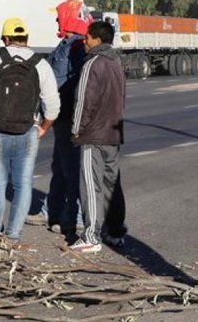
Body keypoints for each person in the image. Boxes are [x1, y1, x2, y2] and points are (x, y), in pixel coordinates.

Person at [0, 18, 60, 242]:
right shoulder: (40, 63)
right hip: (27, 132)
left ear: (6, 38)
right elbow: (53, 105)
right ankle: (14, 235)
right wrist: (43, 128)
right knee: (23, 184)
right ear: (26, 38)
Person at [27, 0, 91, 235]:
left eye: (60, 16)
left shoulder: (76, 46)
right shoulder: (69, 44)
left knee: (72, 167)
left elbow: (72, 81)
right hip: (61, 114)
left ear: (69, 18)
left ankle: (76, 216)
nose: (57, 20)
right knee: (61, 165)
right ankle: (51, 211)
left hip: (68, 114)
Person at [70, 21, 127, 253]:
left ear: (97, 39)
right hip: (113, 133)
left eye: (87, 37)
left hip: (93, 135)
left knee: (91, 186)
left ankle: (91, 236)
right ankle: (115, 232)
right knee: (111, 185)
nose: (84, 41)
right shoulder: (116, 62)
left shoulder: (92, 63)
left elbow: (83, 101)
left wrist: (76, 130)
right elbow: (121, 98)